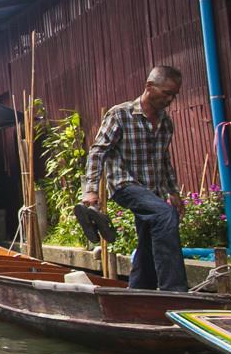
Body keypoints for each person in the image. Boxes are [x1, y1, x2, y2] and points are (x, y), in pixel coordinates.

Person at [81, 65, 189, 293]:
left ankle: (139, 290)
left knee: (149, 237)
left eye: (174, 95)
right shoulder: (120, 114)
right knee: (164, 215)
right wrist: (90, 190)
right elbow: (97, 151)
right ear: (149, 86)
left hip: (152, 190)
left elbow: (164, 159)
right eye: (166, 93)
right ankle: (175, 291)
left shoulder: (166, 123)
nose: (170, 99)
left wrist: (173, 191)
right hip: (124, 185)